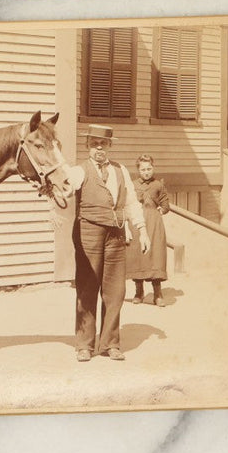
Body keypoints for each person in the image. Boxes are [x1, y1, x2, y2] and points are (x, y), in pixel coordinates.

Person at [59, 124, 150, 361]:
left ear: (110, 146)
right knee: (88, 286)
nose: (99, 147)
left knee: (116, 290)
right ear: (87, 146)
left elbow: (131, 202)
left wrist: (142, 230)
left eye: (104, 143)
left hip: (116, 234)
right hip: (88, 231)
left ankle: (110, 343)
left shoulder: (121, 171)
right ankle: (84, 345)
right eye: (94, 143)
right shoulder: (79, 171)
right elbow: (64, 188)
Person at [127, 154, 171, 306]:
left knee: (155, 256)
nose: (146, 172)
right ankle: (139, 292)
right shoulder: (132, 185)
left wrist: (160, 210)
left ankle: (157, 294)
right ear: (138, 170)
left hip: (154, 223)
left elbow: (166, 205)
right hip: (137, 224)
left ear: (153, 168)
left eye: (149, 169)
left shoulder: (159, 185)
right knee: (138, 256)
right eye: (143, 169)